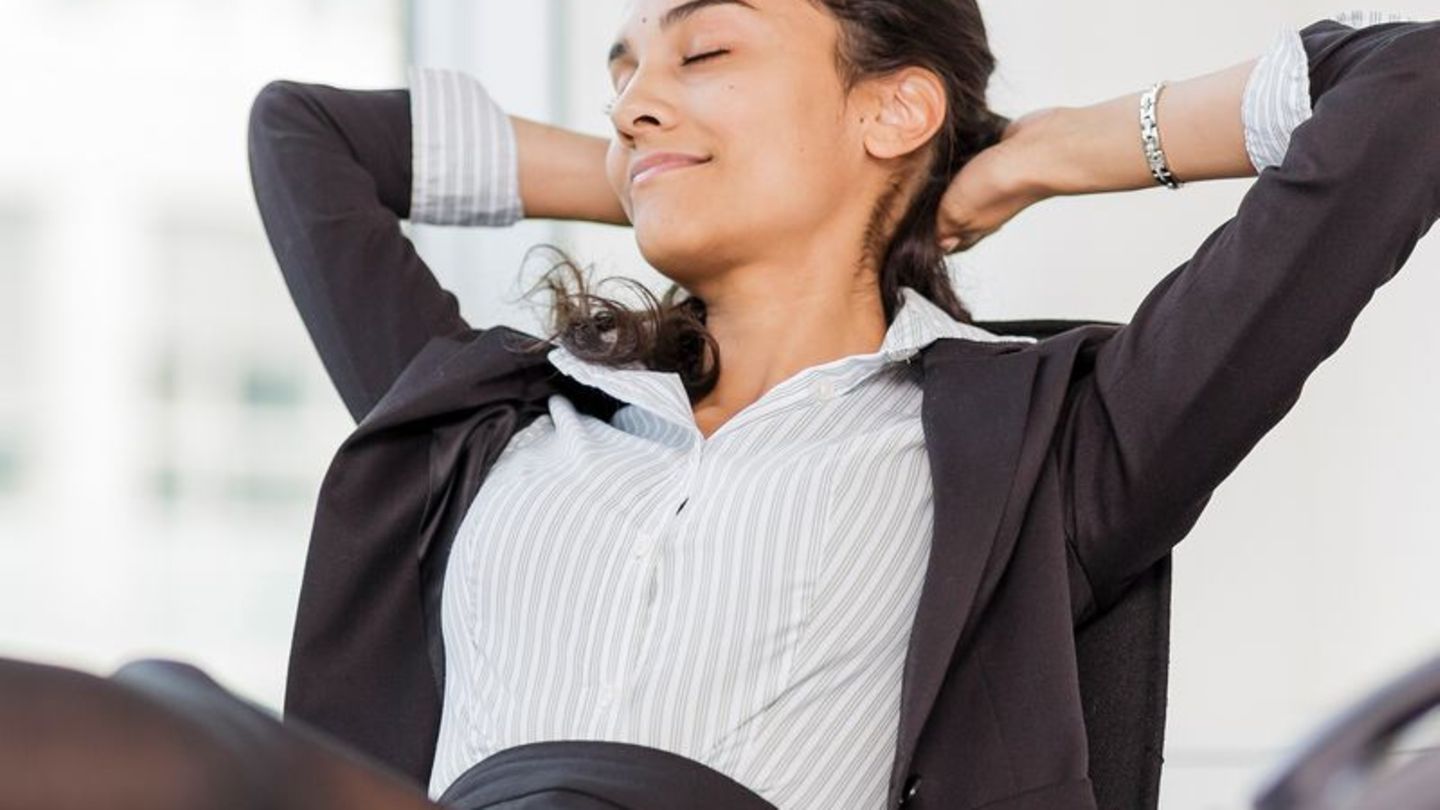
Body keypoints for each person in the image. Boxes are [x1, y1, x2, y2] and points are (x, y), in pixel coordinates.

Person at [2, 3, 1436, 810]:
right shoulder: (487, 418)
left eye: (703, 53)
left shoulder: (1052, 446)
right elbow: (302, 137)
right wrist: (660, 157)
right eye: (621, 73)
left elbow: (1410, 88)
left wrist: (1035, 155)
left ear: (896, 108)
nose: (635, 100)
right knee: (145, 717)